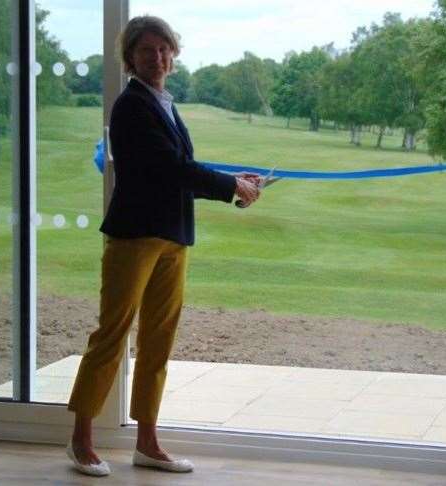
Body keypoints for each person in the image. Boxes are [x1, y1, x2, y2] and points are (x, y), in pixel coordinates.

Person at [65, 15, 260, 477]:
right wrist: (229, 185)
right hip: (134, 237)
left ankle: (147, 444)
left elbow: (177, 172)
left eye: (165, 49)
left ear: (174, 54)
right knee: (111, 338)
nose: (159, 58)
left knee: (158, 341)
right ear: (131, 57)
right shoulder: (131, 105)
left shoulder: (165, 104)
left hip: (173, 237)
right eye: (148, 50)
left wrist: (237, 185)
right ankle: (80, 442)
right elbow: (170, 168)